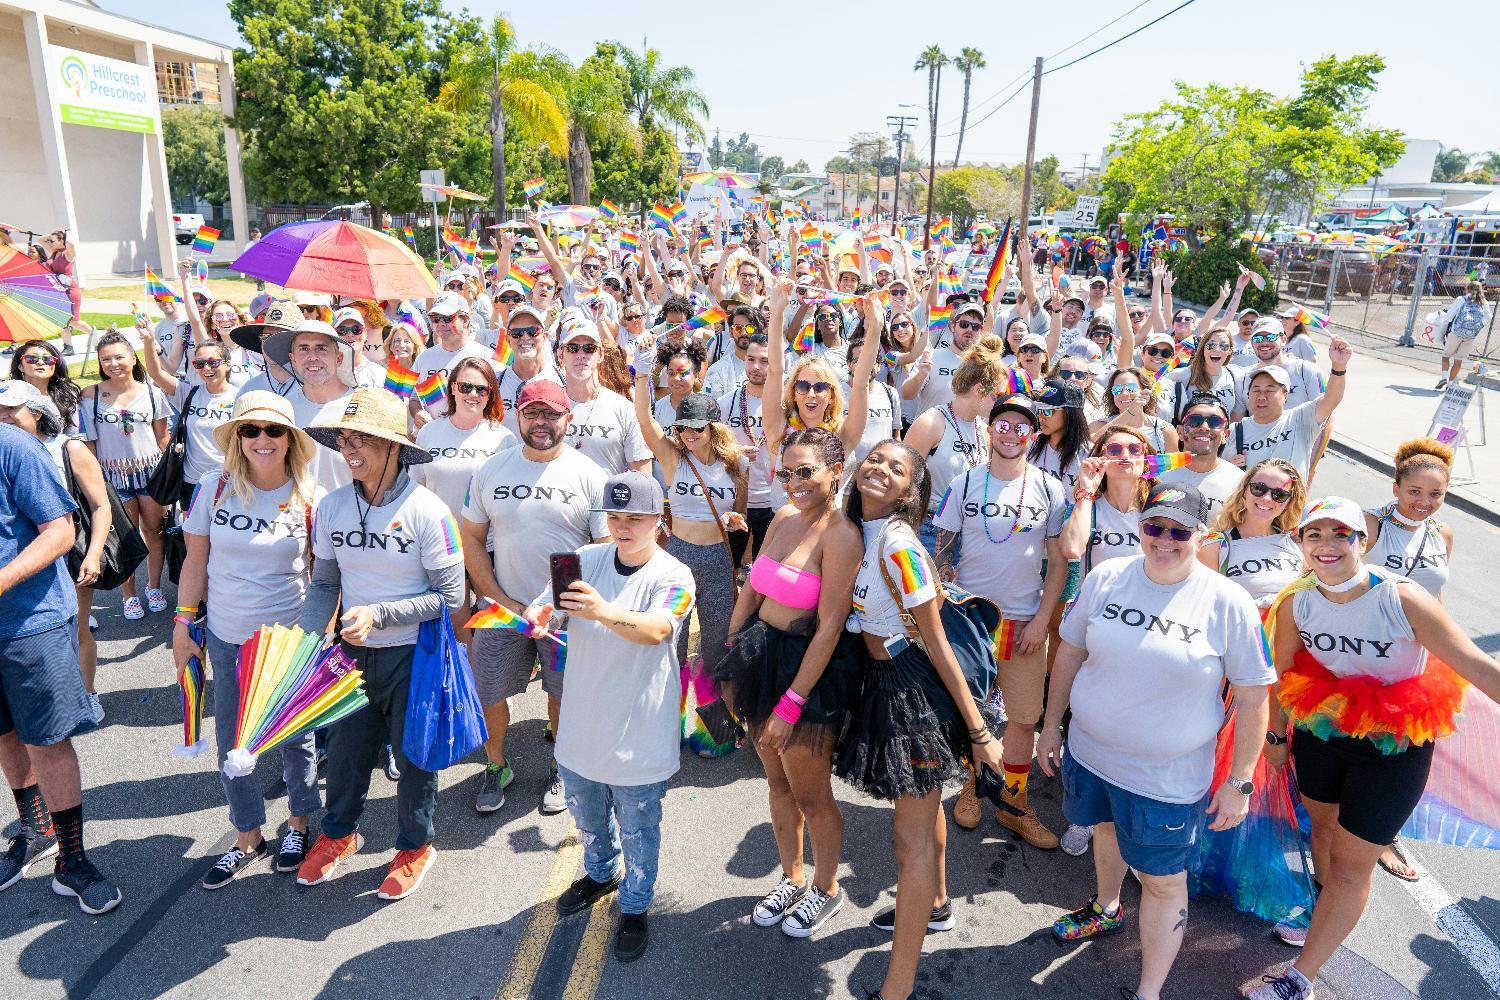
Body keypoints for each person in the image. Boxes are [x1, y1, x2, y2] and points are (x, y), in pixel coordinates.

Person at [1246, 498, 1500, 1000]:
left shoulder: (1401, 599)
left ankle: (1300, 978)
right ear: (1299, 544)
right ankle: (1322, 908)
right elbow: (1282, 676)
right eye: (1313, 535)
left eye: (1340, 533)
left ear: (1362, 541)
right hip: (1322, 737)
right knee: (1321, 828)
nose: (1327, 545)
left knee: (1351, 863)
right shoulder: (1297, 603)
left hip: (1394, 751)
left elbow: (1476, 665)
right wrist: (1275, 737)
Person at [1038, 482, 1275, 1000]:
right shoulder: (1107, 576)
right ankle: (1105, 908)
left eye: (1179, 530)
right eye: (1154, 527)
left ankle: (1149, 992)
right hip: (1091, 754)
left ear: (1201, 534)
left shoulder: (1228, 602)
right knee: (1103, 830)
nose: (1164, 540)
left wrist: (1240, 782)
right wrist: (1052, 725)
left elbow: (1257, 699)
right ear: (1140, 527)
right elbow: (1072, 652)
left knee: (1163, 880)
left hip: (1165, 778)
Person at [835, 440, 1003, 1000]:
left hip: (915, 696)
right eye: (875, 460)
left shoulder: (899, 545)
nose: (879, 469)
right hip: (884, 686)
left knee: (909, 844)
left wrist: (979, 733)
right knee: (922, 809)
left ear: (910, 492)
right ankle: (936, 906)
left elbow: (937, 643)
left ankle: (897, 989)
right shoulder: (860, 532)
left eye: (896, 468)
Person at [294, 388, 466, 901]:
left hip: (413, 655)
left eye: (363, 439)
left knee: (415, 757)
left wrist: (380, 614)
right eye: (345, 439)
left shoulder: (429, 511)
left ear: (394, 447)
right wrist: (302, 642)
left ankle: (416, 845)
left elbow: (451, 597)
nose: (349, 449)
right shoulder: (331, 505)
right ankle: (339, 834)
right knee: (346, 751)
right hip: (350, 654)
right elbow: (324, 583)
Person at [523, 470, 697, 964]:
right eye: (615, 516)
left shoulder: (674, 575)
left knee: (640, 830)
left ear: (658, 520)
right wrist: (540, 616)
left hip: (639, 733)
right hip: (581, 725)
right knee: (590, 820)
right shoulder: (587, 560)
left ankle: (636, 906)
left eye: (635, 518)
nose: (622, 527)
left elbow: (659, 630)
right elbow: (548, 605)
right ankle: (600, 873)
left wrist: (601, 612)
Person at [175, 391, 324, 888]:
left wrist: (322, 637)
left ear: (290, 440)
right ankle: (248, 836)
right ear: (237, 437)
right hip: (226, 635)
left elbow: (325, 577)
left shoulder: (311, 496)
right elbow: (195, 560)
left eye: (274, 430)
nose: (262, 439)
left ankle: (299, 825)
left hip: (287, 639)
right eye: (250, 430)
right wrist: (181, 624)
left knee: (293, 737)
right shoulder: (212, 488)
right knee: (230, 740)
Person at [719, 428, 863, 937]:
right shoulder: (781, 517)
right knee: (777, 783)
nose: (795, 482)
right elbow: (749, 594)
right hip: (760, 659)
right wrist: (729, 662)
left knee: (812, 795)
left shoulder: (842, 535)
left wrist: (790, 706)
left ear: (835, 473)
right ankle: (792, 876)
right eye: (787, 472)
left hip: (807, 674)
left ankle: (826, 890)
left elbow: (829, 629)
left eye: (807, 472)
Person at [933, 395, 1085, 849]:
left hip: (1024, 621)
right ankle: (974, 784)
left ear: (1033, 436)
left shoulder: (1049, 488)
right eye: (1003, 424)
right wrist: (946, 603)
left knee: (1022, 717)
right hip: (971, 618)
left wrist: (1043, 619)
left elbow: (1058, 564)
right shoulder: (963, 484)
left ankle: (1014, 802)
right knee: (971, 709)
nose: (1011, 433)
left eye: (1022, 427)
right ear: (989, 430)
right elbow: (943, 547)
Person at [461, 380, 607, 815]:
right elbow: (471, 536)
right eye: (532, 413)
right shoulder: (491, 470)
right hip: (501, 608)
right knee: (487, 691)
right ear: (516, 415)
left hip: (565, 616)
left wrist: (562, 606)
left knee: (562, 693)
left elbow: (601, 551)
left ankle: (559, 766)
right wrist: (497, 596)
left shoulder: (590, 475)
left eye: (551, 414)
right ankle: (497, 765)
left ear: (568, 418)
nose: (540, 423)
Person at [0, 422, 120, 913]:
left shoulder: (12, 446)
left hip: (31, 622)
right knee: (5, 735)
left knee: (46, 741)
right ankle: (34, 830)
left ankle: (71, 861)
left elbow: (61, 530)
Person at [0, 383, 113, 722]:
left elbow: (100, 505)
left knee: (77, 628)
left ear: (36, 411)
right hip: (29, 560)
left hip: (71, 553)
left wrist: (93, 554)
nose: (3, 416)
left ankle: (87, 694)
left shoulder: (69, 448)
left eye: (11, 409)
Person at [80, 331, 169, 620]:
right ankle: (128, 594)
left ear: (133, 358)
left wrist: (171, 480)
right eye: (106, 359)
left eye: (119, 356)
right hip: (113, 476)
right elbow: (89, 444)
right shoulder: (90, 396)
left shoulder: (152, 392)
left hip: (151, 474)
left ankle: (153, 587)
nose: (113, 363)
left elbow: (162, 438)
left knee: (154, 533)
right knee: (125, 537)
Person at [902, 335, 1005, 555]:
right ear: (979, 389)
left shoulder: (983, 431)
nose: (1001, 402)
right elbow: (902, 483)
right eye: (998, 394)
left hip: (966, 532)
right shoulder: (932, 423)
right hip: (928, 529)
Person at [1229, 337, 1352, 482]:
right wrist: (1229, 467)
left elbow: (1331, 399)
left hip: (1291, 503)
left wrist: (1339, 366)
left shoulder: (1300, 419)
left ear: (1285, 395)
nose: (1262, 396)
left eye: (1270, 390)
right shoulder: (1235, 430)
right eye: (1256, 390)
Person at [262, 320, 360, 492]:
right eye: (303, 349)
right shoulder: (282, 409)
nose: (312, 357)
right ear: (292, 359)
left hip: (350, 514)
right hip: (295, 513)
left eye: (321, 348)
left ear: (339, 358)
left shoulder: (362, 406)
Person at [141, 332, 237, 508]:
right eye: (199, 364)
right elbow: (155, 373)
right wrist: (148, 341)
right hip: (192, 482)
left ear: (228, 364)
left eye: (213, 362)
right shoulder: (189, 393)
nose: (206, 368)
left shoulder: (239, 398)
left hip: (228, 481)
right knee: (193, 534)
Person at [411, 357, 516, 517]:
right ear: (453, 388)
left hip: (484, 540)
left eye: (481, 389)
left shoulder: (505, 439)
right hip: (437, 536)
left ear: (490, 394)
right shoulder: (428, 432)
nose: (473, 394)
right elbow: (416, 486)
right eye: (465, 387)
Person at [1198, 459, 1307, 608]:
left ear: (1289, 502)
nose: (1267, 498)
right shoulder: (1215, 546)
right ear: (1244, 491)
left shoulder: (1298, 545)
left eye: (1279, 494)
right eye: (1258, 488)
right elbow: (1203, 605)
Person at [558, 319, 652, 476]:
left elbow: (643, 477)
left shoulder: (624, 408)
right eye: (573, 348)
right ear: (560, 355)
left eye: (589, 348)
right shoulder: (546, 407)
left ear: (600, 354)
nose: (581, 355)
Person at [718, 333, 777, 564]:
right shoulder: (726, 403)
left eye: (764, 361)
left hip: (770, 501)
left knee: (764, 569)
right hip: (734, 501)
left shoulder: (784, 405)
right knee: (729, 566)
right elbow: (713, 449)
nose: (756, 367)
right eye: (750, 359)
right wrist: (735, 452)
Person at [1160, 394, 1244, 519]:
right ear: (1180, 432)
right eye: (1194, 421)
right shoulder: (1157, 475)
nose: (1204, 427)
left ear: (1226, 435)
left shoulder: (1239, 481)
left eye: (1215, 422)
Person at [1093, 367, 1178, 454]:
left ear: (1145, 391)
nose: (1125, 393)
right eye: (1117, 389)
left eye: (1131, 388)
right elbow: (1093, 443)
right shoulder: (1098, 426)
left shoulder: (1166, 431)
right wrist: (1130, 412)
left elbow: (1173, 466)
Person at [9, 341, 82, 437]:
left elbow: (74, 434)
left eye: (48, 359)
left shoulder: (67, 396)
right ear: (20, 366)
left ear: (55, 366)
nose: (40, 362)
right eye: (32, 358)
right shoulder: (8, 397)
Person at [1433, 280, 1490, 389]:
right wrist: (1478, 326)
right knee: (1458, 360)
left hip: (1456, 333)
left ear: (1467, 289)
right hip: (1470, 336)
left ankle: (1444, 378)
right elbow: (1488, 317)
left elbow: (1448, 317)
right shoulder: (1484, 302)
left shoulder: (1461, 299)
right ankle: (1450, 384)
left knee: (1446, 356)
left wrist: (1441, 333)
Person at [37, 231, 80, 354]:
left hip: (70, 290)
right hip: (59, 290)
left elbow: (71, 242)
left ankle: (96, 337)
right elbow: (40, 239)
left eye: (52, 241)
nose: (49, 243)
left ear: (62, 241)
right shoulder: (54, 253)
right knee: (62, 319)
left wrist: (68, 232)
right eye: (49, 241)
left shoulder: (68, 253)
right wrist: (52, 235)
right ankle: (68, 347)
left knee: (74, 321)